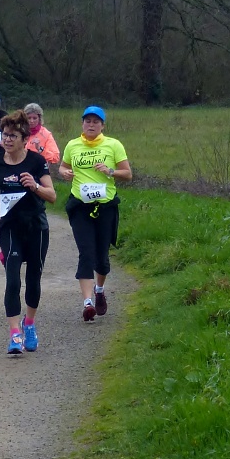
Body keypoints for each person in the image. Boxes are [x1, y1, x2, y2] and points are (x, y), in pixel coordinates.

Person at [0, 110, 56, 354]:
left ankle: (29, 324)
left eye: (13, 136)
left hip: (36, 226)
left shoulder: (36, 161)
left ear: (25, 139)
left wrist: (34, 186)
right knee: (13, 278)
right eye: (5, 135)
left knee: (33, 278)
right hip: (10, 226)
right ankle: (14, 334)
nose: (7, 139)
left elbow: (52, 195)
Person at [58, 106, 132, 321]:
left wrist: (110, 171)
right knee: (86, 252)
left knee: (101, 256)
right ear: (82, 124)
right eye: (87, 121)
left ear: (102, 125)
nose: (91, 125)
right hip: (80, 206)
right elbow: (62, 167)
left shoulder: (113, 145)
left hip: (105, 207)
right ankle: (87, 302)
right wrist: (64, 173)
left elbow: (128, 174)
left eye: (95, 122)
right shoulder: (73, 145)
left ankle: (99, 290)